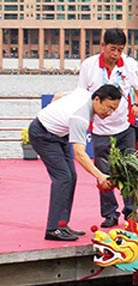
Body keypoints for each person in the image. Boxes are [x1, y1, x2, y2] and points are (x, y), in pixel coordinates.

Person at [78, 28, 138, 228]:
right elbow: (81, 96)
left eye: (120, 50)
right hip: (100, 129)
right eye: (112, 49)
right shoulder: (89, 65)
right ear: (102, 46)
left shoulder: (128, 65)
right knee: (103, 172)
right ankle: (109, 214)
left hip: (124, 127)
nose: (116, 54)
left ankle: (131, 213)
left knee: (129, 170)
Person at [28, 85, 122, 241]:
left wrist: (53, 113)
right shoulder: (80, 117)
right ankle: (53, 229)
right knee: (63, 178)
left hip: (60, 134)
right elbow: (80, 154)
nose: (109, 113)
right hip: (42, 135)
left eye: (114, 110)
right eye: (109, 107)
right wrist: (100, 176)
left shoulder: (85, 94)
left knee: (71, 176)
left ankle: (62, 224)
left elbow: (58, 94)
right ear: (97, 99)